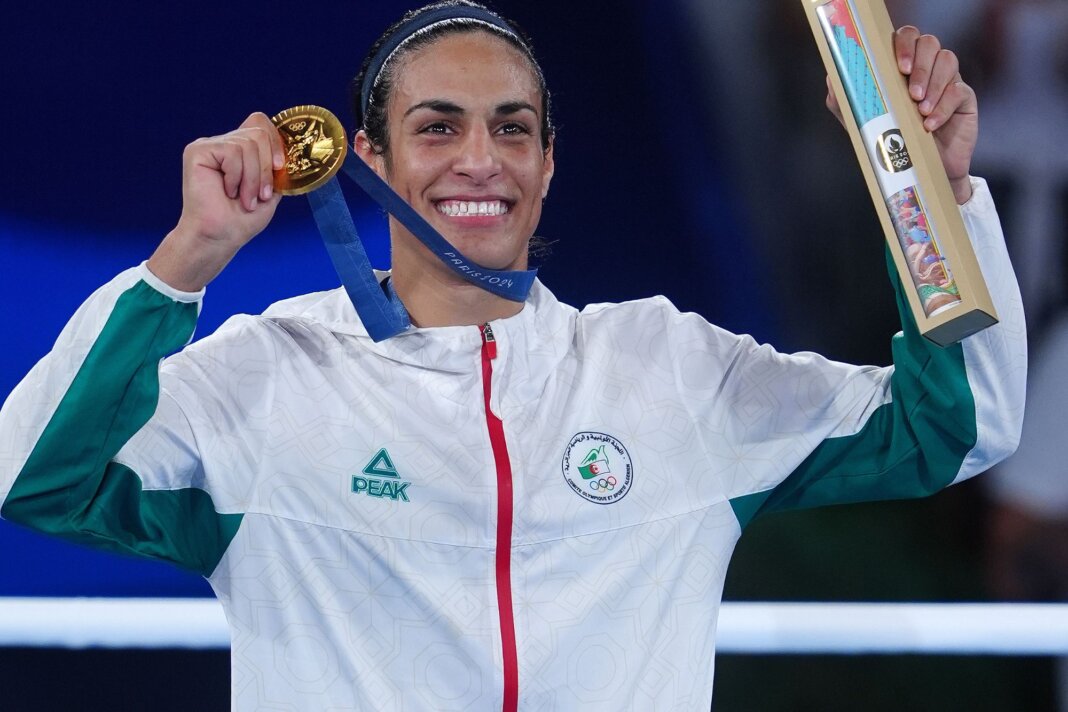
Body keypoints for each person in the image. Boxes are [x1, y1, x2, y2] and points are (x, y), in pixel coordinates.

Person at [0, 1, 1025, 710]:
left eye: (512, 128)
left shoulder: (667, 369)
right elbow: (34, 477)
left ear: (547, 163)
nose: (480, 159)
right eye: (437, 128)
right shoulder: (265, 378)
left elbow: (959, 425)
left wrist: (932, 196)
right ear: (370, 158)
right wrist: (185, 262)